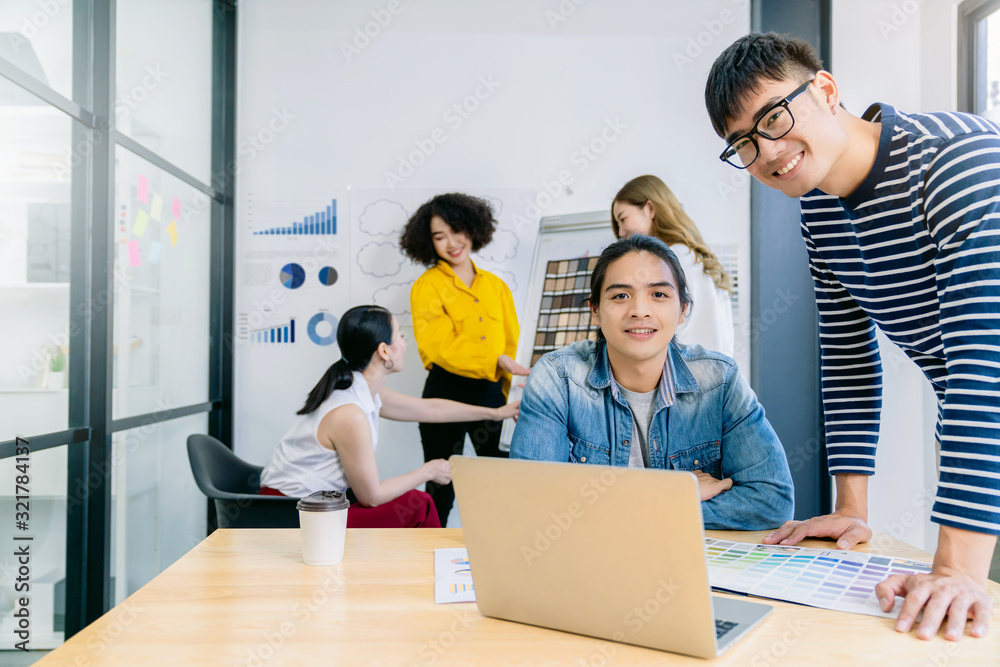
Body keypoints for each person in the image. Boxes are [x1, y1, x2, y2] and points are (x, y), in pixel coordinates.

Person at [705, 32, 1000, 640]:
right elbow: (848, 360)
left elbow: (985, 366)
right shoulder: (820, 210)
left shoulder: (957, 165)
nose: (767, 152)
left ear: (826, 89)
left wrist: (955, 568)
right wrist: (850, 510)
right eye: (743, 143)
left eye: (774, 118)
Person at [509, 235, 793, 530]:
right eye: (620, 296)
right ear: (595, 310)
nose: (639, 311)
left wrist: (616, 510)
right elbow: (533, 502)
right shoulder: (558, 378)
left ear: (683, 310)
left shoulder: (719, 380)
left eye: (658, 295)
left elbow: (771, 501)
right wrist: (669, 495)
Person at [259, 305, 519, 528]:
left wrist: (496, 413)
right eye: (400, 335)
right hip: (291, 516)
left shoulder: (362, 390)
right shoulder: (349, 413)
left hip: (308, 505)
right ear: (384, 350)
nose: (405, 344)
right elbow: (371, 496)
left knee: (413, 504)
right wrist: (428, 471)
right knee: (421, 504)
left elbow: (430, 409)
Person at [400, 193, 529, 526]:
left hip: (492, 391)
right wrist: (495, 360)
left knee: (502, 473)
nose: (451, 243)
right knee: (443, 481)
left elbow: (512, 343)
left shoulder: (497, 287)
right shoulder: (426, 286)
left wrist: (509, 386)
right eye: (438, 237)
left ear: (472, 229)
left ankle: (508, 548)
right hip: (445, 392)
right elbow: (438, 347)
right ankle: (428, 552)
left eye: (455, 231)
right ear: (428, 243)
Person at [612, 174, 735, 356]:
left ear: (650, 209)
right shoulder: (693, 254)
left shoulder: (674, 258)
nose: (621, 232)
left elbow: (671, 329)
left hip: (686, 374)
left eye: (623, 219)